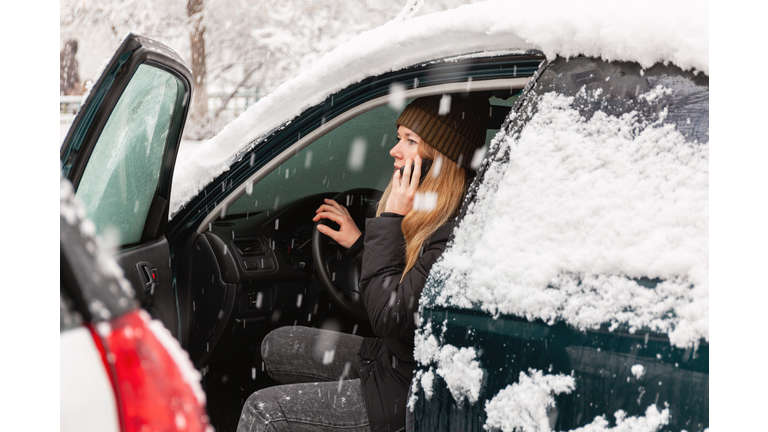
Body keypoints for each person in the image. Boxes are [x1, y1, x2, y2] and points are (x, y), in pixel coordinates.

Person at [237, 93, 491, 432]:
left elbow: (389, 315)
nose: (394, 150)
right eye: (399, 137)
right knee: (276, 344)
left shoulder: (453, 233)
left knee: (263, 411)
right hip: (396, 360)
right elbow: (408, 284)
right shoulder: (437, 216)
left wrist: (389, 219)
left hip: (409, 390)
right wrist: (359, 245)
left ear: (439, 159)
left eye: (410, 141)